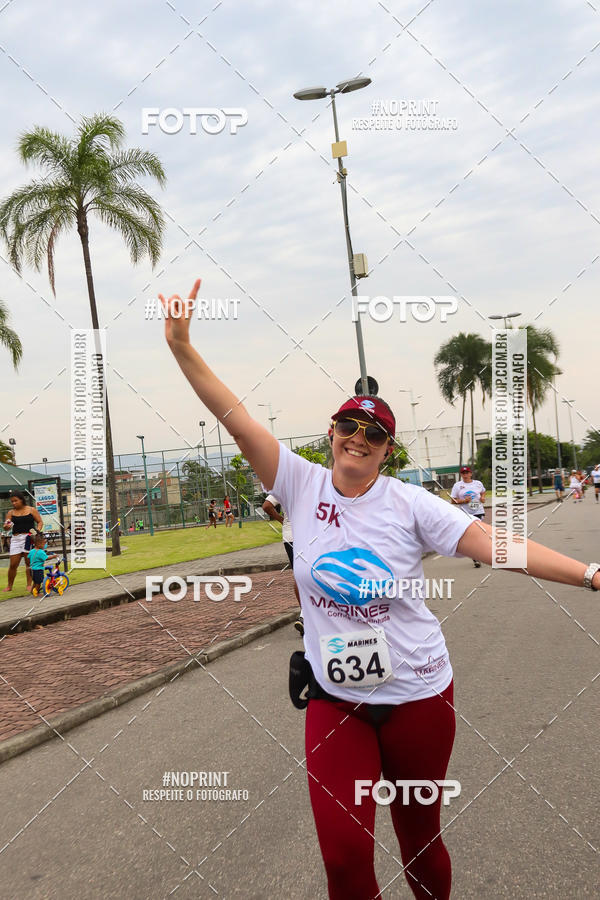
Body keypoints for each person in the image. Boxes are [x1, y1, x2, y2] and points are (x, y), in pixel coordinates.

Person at [160, 278, 600, 900]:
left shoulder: (411, 505)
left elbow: (502, 548)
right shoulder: (297, 483)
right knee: (343, 858)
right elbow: (235, 417)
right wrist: (181, 346)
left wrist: (590, 574)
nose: (357, 439)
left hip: (418, 694)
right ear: (332, 432)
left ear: (387, 451)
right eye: (348, 427)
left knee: (420, 841)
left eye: (372, 435)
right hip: (336, 699)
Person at [263, 492, 303, 635]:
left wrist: (282, 519)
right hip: (307, 536)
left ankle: (305, 614)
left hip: (290, 537)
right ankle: (307, 615)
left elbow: (267, 505)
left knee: (299, 575)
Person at [2, 491, 43, 593]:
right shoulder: (11, 513)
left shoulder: (31, 510)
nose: (14, 503)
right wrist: (6, 527)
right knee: (13, 564)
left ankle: (29, 585)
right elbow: (7, 525)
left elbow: (40, 522)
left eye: (15, 501)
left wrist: (37, 531)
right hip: (16, 539)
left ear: (21, 500)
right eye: (12, 501)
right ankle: (9, 586)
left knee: (28, 563)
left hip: (28, 538)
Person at [450, 466, 486, 568]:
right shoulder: (458, 486)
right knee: (472, 535)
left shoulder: (478, 483)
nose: (465, 475)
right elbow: (453, 501)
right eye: (463, 473)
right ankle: (476, 558)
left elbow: (483, 491)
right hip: (465, 513)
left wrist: (483, 497)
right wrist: (464, 501)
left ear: (471, 474)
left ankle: (480, 554)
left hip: (478, 511)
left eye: (467, 473)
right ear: (461, 475)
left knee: (479, 534)